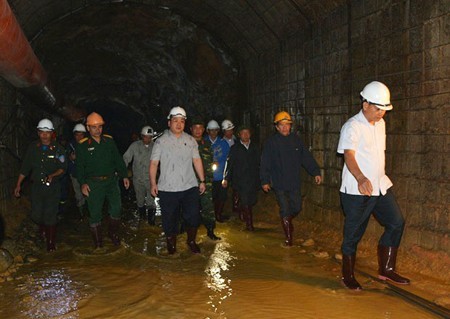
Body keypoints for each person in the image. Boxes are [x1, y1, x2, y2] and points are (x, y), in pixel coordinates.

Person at [337, 81, 410, 290]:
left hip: (379, 186)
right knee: (353, 234)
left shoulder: (380, 124)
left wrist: (372, 178)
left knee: (396, 222)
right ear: (365, 104)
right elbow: (349, 155)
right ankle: (347, 275)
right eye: (378, 109)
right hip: (357, 191)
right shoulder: (352, 126)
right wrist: (360, 177)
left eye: (384, 110)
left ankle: (386, 269)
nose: (381, 114)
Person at [260, 111, 322, 246]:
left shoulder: (296, 141)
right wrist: (264, 180)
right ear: (276, 127)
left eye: (287, 125)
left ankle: (287, 220)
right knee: (285, 208)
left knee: (297, 207)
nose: (284, 128)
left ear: (290, 126)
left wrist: (315, 172)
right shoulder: (271, 143)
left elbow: (306, 157)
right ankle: (289, 238)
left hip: (294, 181)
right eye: (281, 125)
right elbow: (265, 162)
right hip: (279, 182)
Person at [150, 107, 206, 254]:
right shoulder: (160, 142)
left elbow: (197, 160)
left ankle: (191, 240)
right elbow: (154, 163)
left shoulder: (190, 140)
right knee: (169, 219)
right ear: (169, 123)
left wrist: (202, 180)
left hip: (189, 186)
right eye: (175, 121)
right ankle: (171, 244)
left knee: (193, 215)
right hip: (167, 188)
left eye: (182, 121)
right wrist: (153, 183)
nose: (179, 124)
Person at [76, 112, 130, 248]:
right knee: (95, 213)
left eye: (100, 126)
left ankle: (112, 234)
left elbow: (118, 160)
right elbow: (79, 167)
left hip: (111, 181)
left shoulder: (109, 141)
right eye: (94, 127)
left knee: (116, 209)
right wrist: (83, 183)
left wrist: (124, 175)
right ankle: (98, 244)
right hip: (94, 183)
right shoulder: (82, 146)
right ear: (88, 128)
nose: (97, 129)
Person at [14, 119, 67, 252]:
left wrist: (52, 175)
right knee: (37, 214)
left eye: (47, 133)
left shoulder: (58, 149)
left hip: (52, 187)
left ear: (52, 134)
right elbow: (25, 167)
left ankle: (50, 243)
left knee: (51, 214)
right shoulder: (33, 148)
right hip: (37, 187)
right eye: (42, 132)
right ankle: (43, 229)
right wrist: (18, 185)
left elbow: (62, 168)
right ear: (38, 133)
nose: (44, 135)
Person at [223, 125, 260, 231]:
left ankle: (241, 210)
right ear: (239, 135)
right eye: (243, 133)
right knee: (246, 201)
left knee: (252, 200)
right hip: (240, 180)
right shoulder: (235, 148)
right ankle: (250, 225)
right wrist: (226, 178)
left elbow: (260, 163)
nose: (245, 135)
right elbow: (229, 164)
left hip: (253, 179)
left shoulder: (255, 147)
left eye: (247, 133)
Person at [190, 118, 220, 240]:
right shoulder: (186, 143)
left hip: (206, 181)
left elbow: (210, 161)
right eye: (195, 128)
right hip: (190, 182)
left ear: (203, 130)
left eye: (200, 128)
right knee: (190, 208)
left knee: (208, 207)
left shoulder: (207, 144)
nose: (198, 130)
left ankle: (210, 231)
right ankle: (188, 233)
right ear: (191, 129)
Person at [123, 126, 157, 224]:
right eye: (145, 137)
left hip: (150, 179)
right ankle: (142, 220)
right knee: (140, 200)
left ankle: (151, 223)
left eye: (150, 137)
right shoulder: (134, 146)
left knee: (151, 201)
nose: (147, 139)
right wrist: (123, 172)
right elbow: (126, 158)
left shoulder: (155, 146)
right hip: (137, 179)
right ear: (142, 136)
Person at [205, 120, 230, 222]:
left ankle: (218, 214)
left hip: (221, 176)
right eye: (211, 130)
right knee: (210, 198)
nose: (213, 133)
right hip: (208, 176)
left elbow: (228, 161)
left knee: (222, 197)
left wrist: (226, 177)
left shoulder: (223, 144)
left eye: (215, 130)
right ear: (208, 131)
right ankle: (210, 216)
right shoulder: (203, 142)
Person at [68, 123, 87, 220]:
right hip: (75, 174)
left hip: (87, 175)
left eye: (81, 134)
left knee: (89, 193)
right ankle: (81, 212)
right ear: (74, 135)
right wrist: (71, 158)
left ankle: (90, 211)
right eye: (77, 134)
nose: (79, 137)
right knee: (78, 193)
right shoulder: (71, 145)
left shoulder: (89, 144)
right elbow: (65, 159)